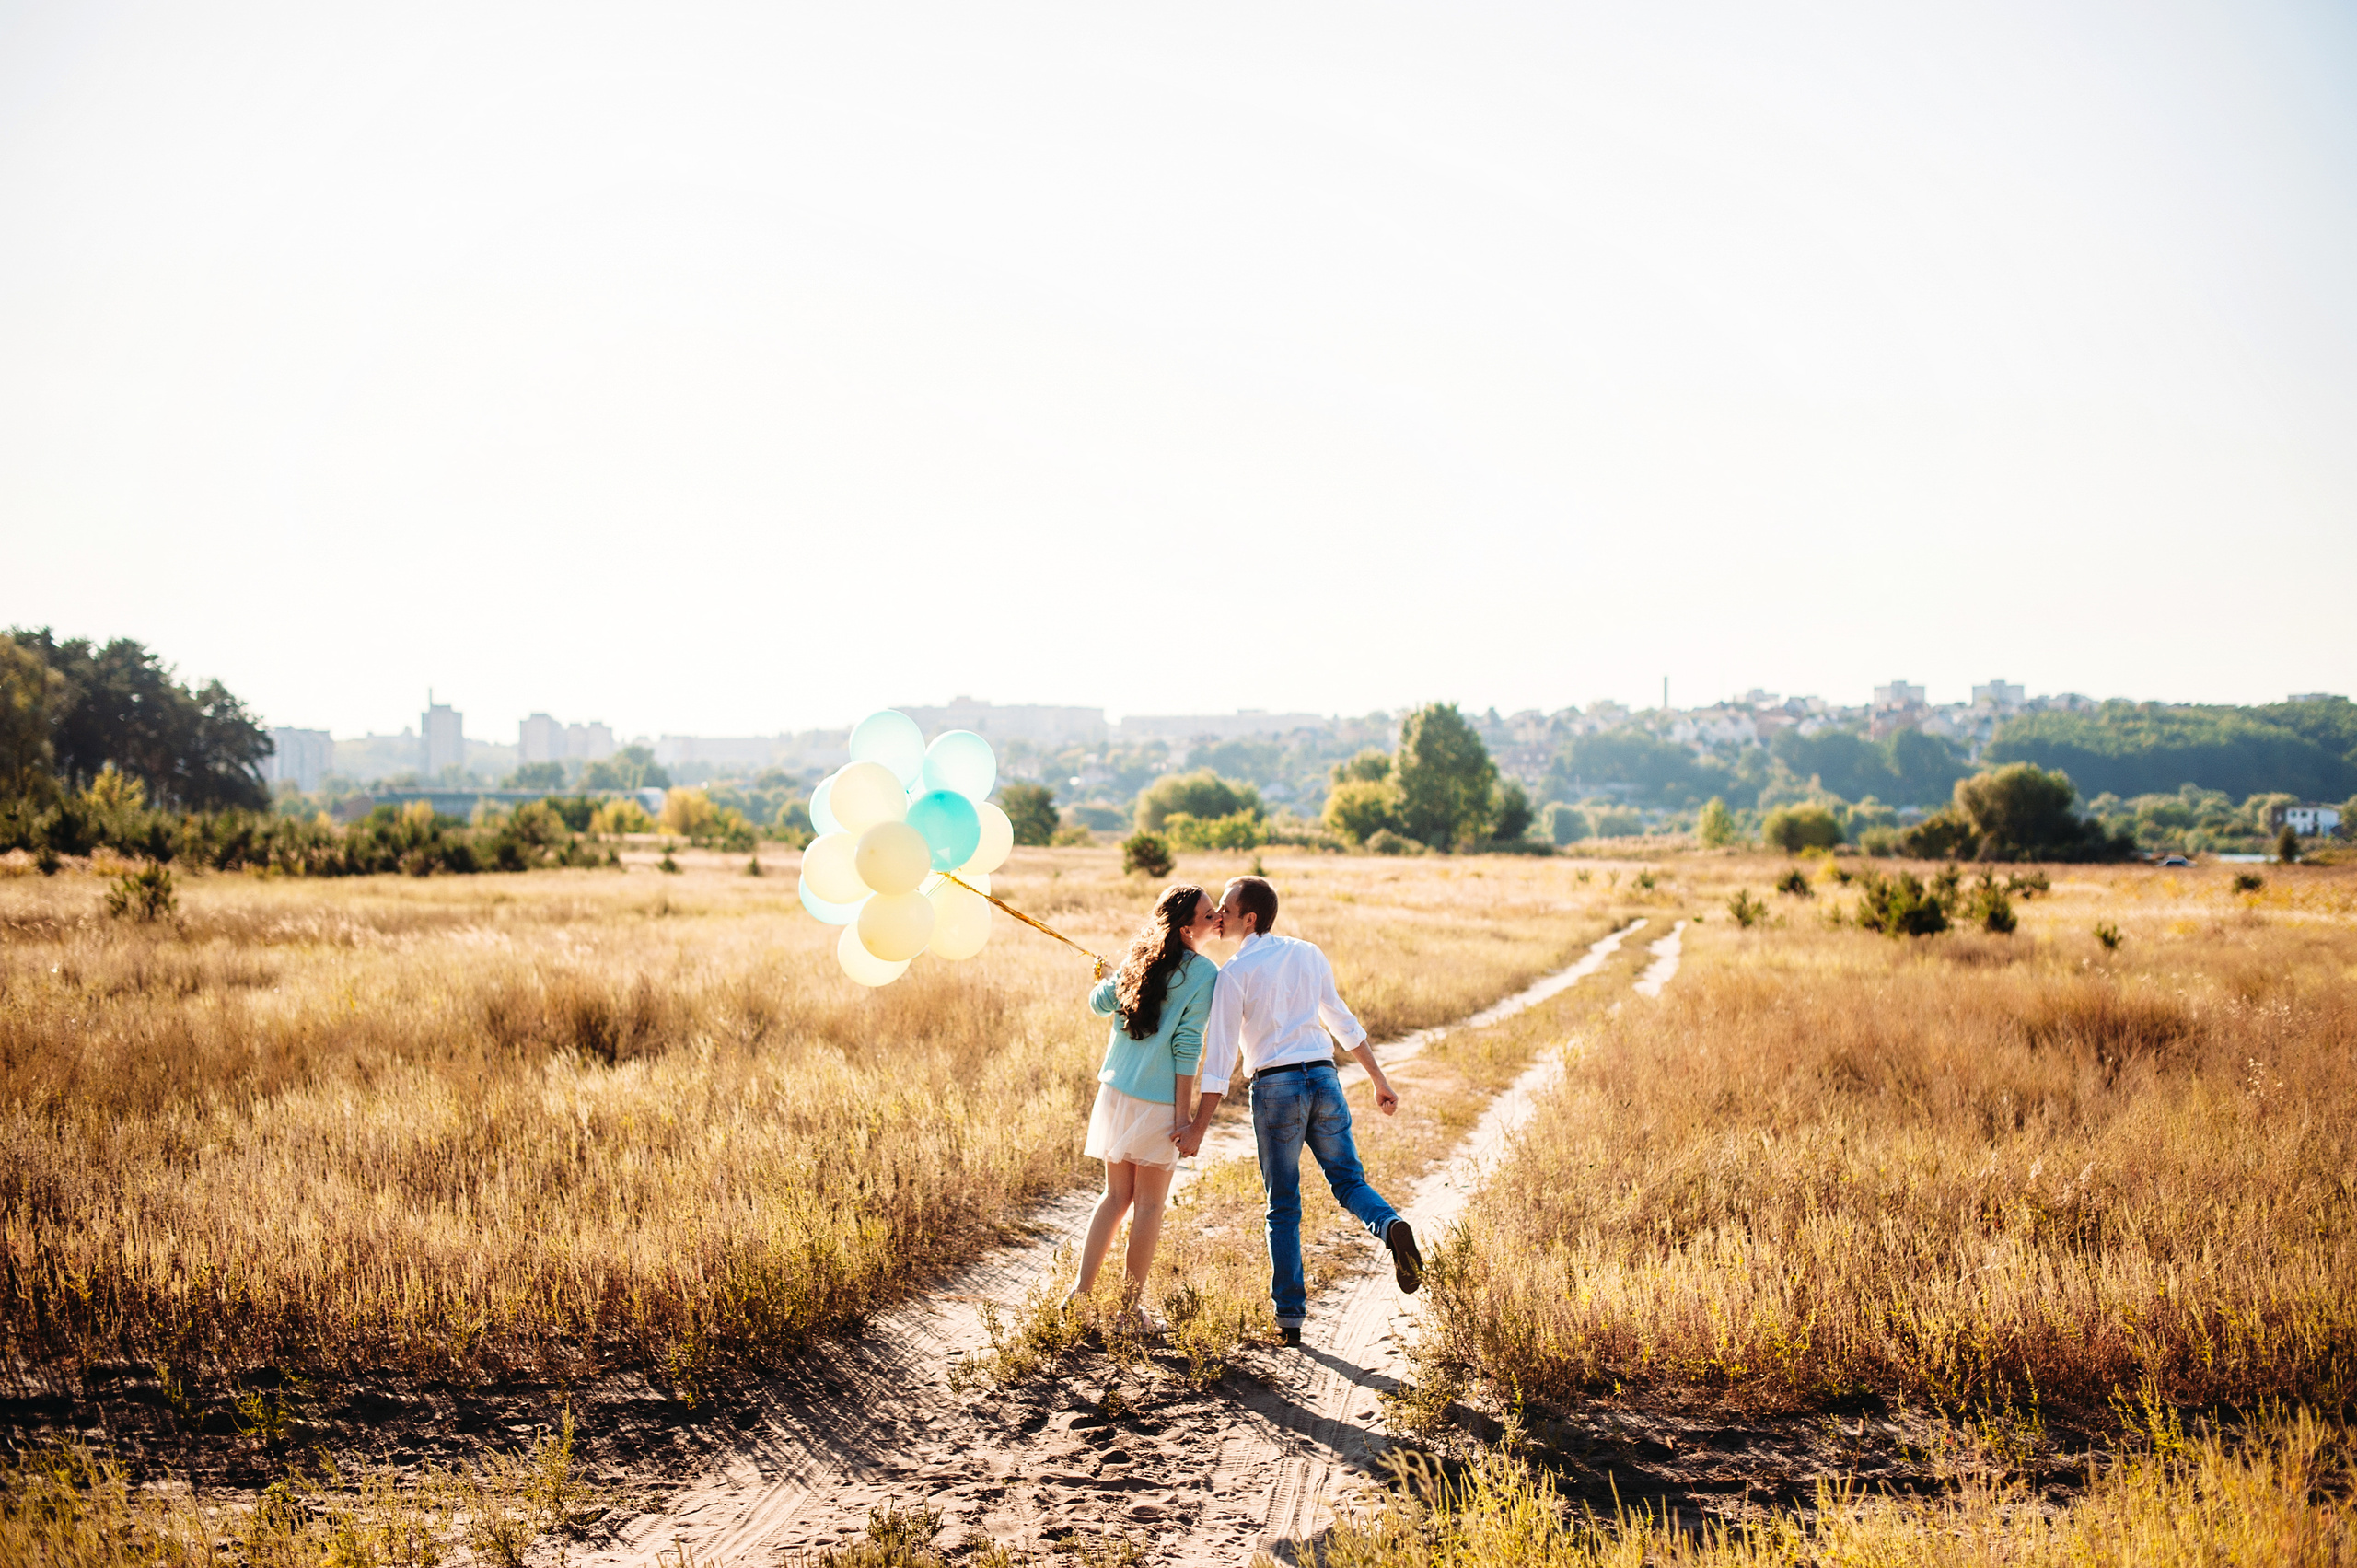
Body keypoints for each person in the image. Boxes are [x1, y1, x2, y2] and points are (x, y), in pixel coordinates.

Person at [1198, 875, 1421, 1347]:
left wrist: (1199, 1124)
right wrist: (1379, 1080)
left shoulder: (1233, 974)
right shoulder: (1306, 952)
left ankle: (1290, 1318)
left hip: (1276, 1087)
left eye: (1226, 907)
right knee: (1349, 1182)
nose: (1219, 914)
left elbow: (1219, 1058)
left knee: (1283, 1204)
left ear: (1249, 917)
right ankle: (1391, 1226)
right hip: (1323, 1077)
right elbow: (1341, 1019)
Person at [1065, 882, 1221, 1327]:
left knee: (1115, 1196)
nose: (1216, 919)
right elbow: (1187, 1046)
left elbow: (1100, 1005)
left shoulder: (1139, 958)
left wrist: (1107, 976)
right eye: (1209, 914)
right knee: (1149, 1205)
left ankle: (1081, 1293)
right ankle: (1128, 1311)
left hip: (1115, 1094)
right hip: (1155, 1104)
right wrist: (1183, 1114)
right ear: (1188, 926)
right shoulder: (1205, 974)